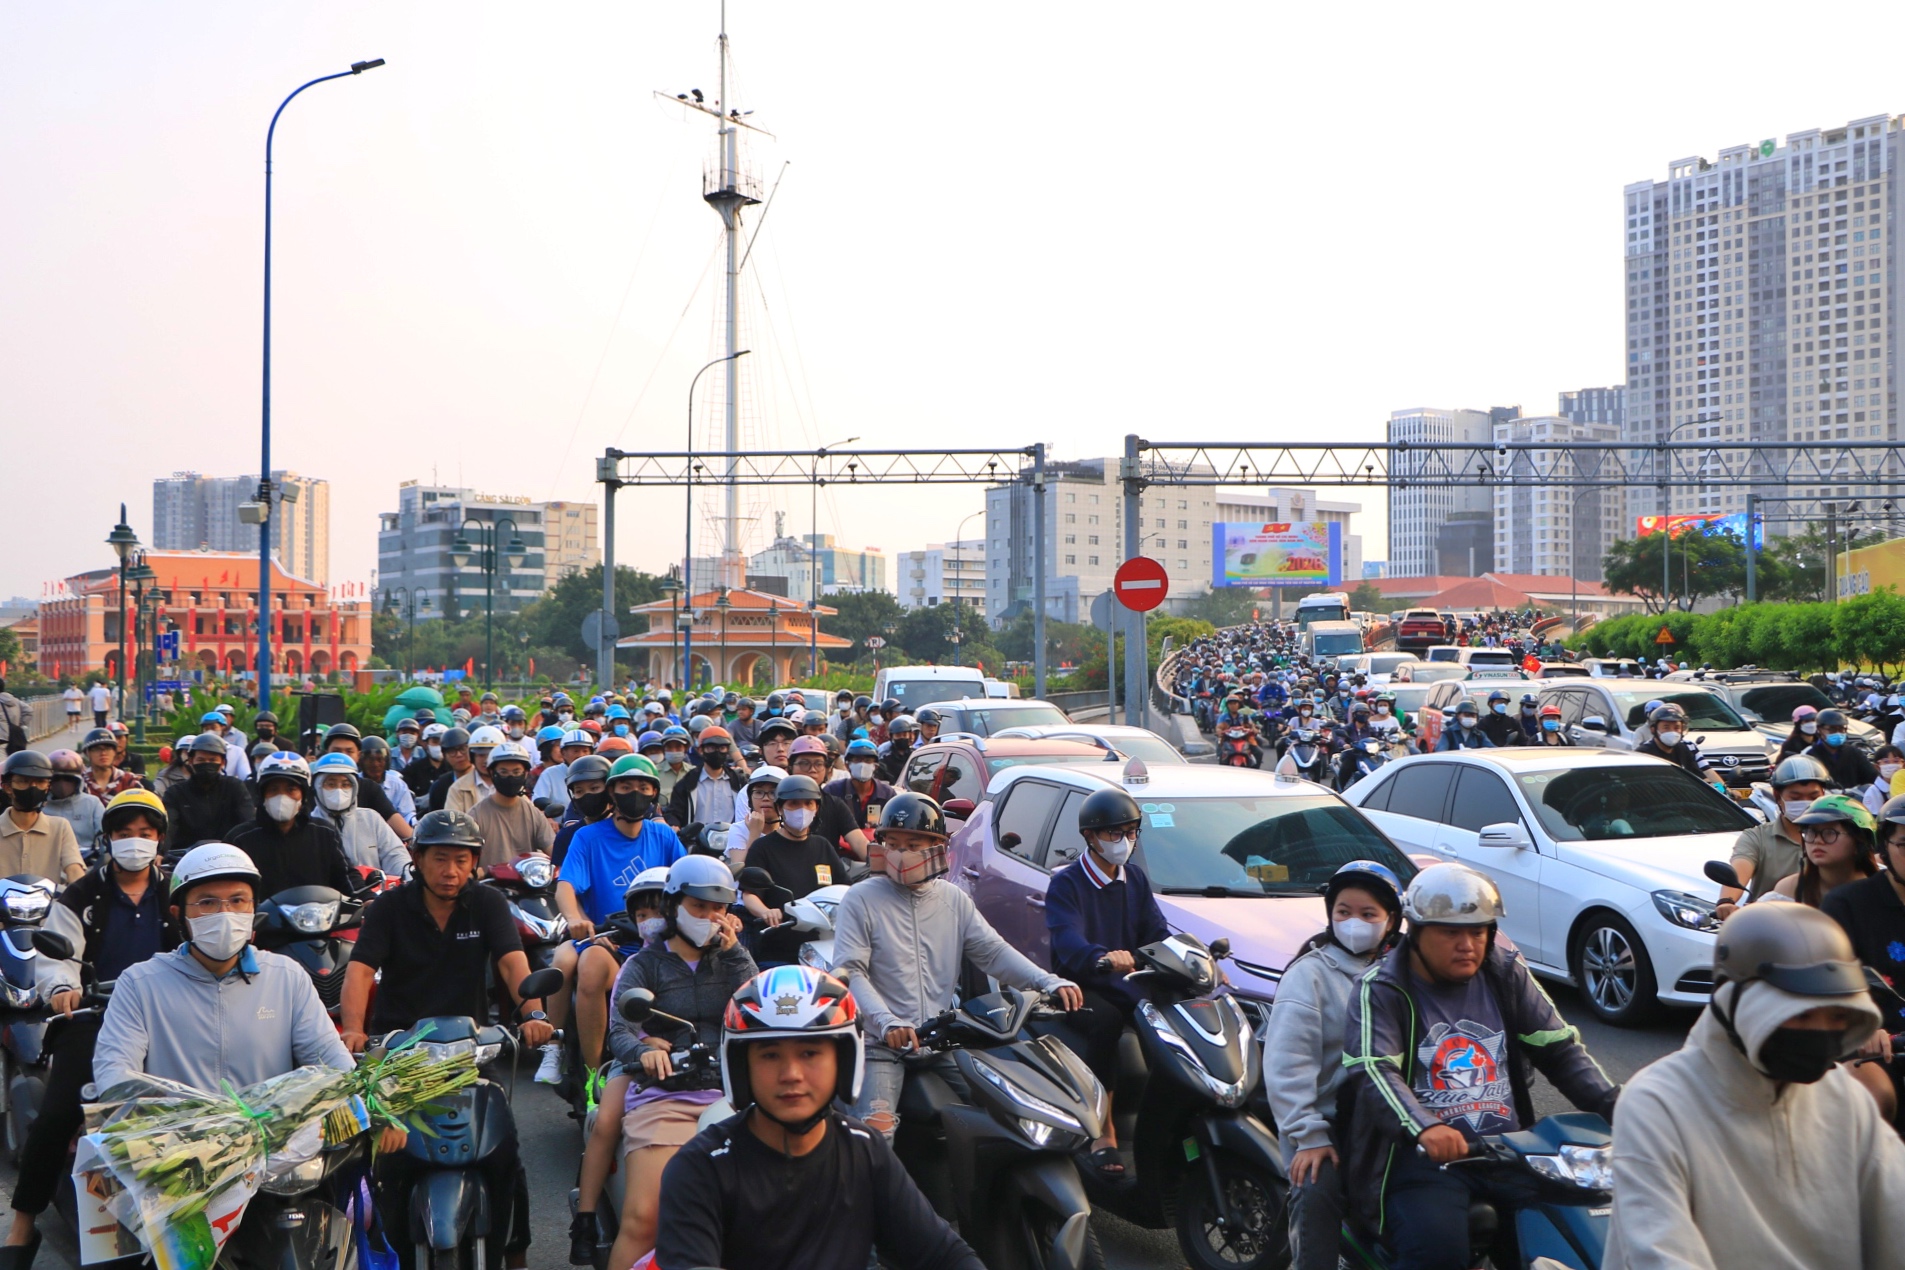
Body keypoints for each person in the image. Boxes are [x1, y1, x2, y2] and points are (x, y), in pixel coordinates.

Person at [1343, 863, 1619, 1270]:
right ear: (1416, 932)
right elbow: (1373, 1071)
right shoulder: (1382, 988)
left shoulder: (1505, 973)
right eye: (1451, 932)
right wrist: (1425, 1126)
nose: (1468, 945)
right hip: (1424, 1161)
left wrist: (1620, 1105)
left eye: (1478, 931)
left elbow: (1560, 1051)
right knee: (1437, 1253)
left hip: (1512, 1152)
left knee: (1583, 1232)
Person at [1602, 903, 1905, 1269]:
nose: (1819, 1033)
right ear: (1733, 1003)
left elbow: (1895, 1214)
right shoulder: (1657, 1104)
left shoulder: (1847, 1100)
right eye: (1799, 1014)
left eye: (1838, 1016)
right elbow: (1661, 1253)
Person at [652, 966, 985, 1270]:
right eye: (769, 1055)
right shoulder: (700, 1168)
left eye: (810, 1053)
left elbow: (941, 1253)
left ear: (843, 1060)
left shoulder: (863, 1149)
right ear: (742, 1067)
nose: (791, 1074)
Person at [338, 810, 555, 1270]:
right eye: (440, 858)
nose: (451, 870)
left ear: (475, 862)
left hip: (471, 1051)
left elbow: (512, 961)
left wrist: (535, 1014)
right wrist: (355, 1029)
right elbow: (359, 971)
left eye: (461, 859)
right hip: (397, 1055)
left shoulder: (489, 904)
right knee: (384, 1161)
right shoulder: (389, 908)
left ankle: (514, 1249)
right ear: (417, 858)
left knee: (504, 1152)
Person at [831, 792, 1083, 1141]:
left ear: (938, 845)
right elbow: (850, 971)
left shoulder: (953, 899)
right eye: (893, 843)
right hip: (878, 1046)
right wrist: (886, 1022)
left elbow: (993, 953)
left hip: (938, 1041)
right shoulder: (860, 899)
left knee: (1004, 1116)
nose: (901, 854)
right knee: (877, 1136)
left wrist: (1048, 982)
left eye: (914, 843)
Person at [3, 790, 181, 1268]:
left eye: (145, 834)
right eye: (124, 834)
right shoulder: (81, 894)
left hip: (172, 1019)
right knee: (59, 1112)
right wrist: (64, 987)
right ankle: (22, 1228)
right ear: (108, 838)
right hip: (97, 1018)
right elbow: (56, 957)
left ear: (160, 838)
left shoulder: (178, 891)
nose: (135, 842)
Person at [92, 840, 355, 1090]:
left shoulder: (286, 977)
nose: (225, 913)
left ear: (254, 910)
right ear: (179, 915)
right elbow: (116, 1072)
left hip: (269, 1134)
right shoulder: (140, 985)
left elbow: (330, 1061)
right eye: (207, 903)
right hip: (179, 1135)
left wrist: (370, 1107)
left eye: (238, 901)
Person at [598, 857, 754, 1269]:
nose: (710, 917)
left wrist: (736, 953)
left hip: (733, 1096)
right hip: (666, 1094)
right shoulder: (644, 964)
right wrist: (643, 1052)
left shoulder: (733, 959)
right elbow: (619, 1031)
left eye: (719, 909)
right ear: (674, 906)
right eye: (699, 907)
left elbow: (756, 1008)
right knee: (645, 1218)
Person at [1263, 861, 1404, 1270]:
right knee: (1316, 1191)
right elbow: (1287, 1067)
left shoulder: (1405, 973)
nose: (1354, 923)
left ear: (1391, 920)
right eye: (1344, 912)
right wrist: (1309, 1136)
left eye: (1368, 914)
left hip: (1392, 1123)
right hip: (1325, 1130)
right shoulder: (1310, 976)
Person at [1042, 786, 1172, 1177]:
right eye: (1115, 833)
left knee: (1172, 1016)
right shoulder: (1067, 883)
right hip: (1082, 986)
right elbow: (1068, 942)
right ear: (1090, 836)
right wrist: (1101, 957)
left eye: (1131, 832)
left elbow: (1157, 932)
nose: (1125, 842)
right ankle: (1104, 1130)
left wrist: (1182, 957)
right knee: (1107, 1022)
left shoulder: (1134, 878)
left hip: (1129, 982)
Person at [555, 755, 684, 1098]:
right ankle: (593, 1073)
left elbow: (689, 879)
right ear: (612, 793)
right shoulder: (588, 838)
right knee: (590, 964)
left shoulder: (663, 835)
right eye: (626, 787)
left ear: (655, 793)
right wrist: (575, 920)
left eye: (644, 787)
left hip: (664, 944)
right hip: (612, 943)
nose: (635, 793)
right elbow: (566, 885)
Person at [226, 751, 354, 897]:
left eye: (291, 789)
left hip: (318, 917)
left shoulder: (324, 833)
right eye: (273, 789)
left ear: (303, 794)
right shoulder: (240, 838)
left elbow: (345, 877)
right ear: (262, 795)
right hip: (260, 919)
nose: (282, 797)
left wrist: (365, 898)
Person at [1718, 754, 1829, 914]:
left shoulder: (1837, 839)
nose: (1806, 803)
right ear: (1778, 796)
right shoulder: (1757, 837)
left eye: (1813, 797)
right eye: (1795, 797)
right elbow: (1739, 869)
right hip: (1767, 925)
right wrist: (1726, 902)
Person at [308, 752, 410, 877]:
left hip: (374, 894)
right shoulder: (309, 826)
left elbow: (395, 855)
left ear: (354, 788)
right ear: (318, 787)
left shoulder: (371, 819)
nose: (339, 790)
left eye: (345, 784)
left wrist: (407, 876)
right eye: (331, 784)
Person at [1772, 793, 1879, 906]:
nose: (1817, 840)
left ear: (1860, 842)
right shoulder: (1789, 890)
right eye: (1811, 832)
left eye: (1829, 833)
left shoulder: (1882, 890)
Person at [161, 732, 256, 852]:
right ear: (191, 761)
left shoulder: (234, 787)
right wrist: (161, 851)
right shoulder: (175, 793)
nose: (207, 764)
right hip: (186, 857)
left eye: (212, 760)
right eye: (201, 760)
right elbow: (169, 826)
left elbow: (247, 821)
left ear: (222, 763)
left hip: (230, 855)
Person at [468, 740, 556, 868]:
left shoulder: (532, 813)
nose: (510, 777)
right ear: (492, 773)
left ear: (525, 774)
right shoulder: (476, 815)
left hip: (529, 883)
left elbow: (552, 849)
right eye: (503, 772)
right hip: (489, 884)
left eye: (516, 772)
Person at [0, 753, 85, 884]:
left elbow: (74, 869)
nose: (33, 787)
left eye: (40, 782)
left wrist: (81, 894)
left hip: (49, 903)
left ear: (47, 787)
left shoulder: (60, 827)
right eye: (24, 781)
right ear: (7, 787)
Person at [665, 725, 747, 831]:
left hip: (732, 840)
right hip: (696, 841)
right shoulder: (687, 783)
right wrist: (674, 825)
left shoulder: (739, 782)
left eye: (722, 748)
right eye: (711, 748)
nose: (717, 753)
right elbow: (674, 812)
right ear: (700, 750)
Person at [1633, 701, 1725, 791]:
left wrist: (1724, 790)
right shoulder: (1644, 754)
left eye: (1676, 727)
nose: (1672, 731)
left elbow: (1704, 780)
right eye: (1666, 727)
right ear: (1653, 729)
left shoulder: (1684, 749)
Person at [825, 738, 894, 835]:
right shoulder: (833, 791)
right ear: (847, 765)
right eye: (857, 760)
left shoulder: (887, 794)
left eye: (868, 760)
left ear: (876, 766)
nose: (862, 765)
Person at [722, 765, 785, 868]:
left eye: (773, 793)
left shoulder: (788, 829)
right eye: (759, 792)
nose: (765, 798)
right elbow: (740, 871)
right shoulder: (739, 829)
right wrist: (754, 834)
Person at [40, 750, 103, 850]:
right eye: (57, 779)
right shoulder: (39, 805)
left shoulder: (92, 803)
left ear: (78, 781)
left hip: (88, 861)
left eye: (68, 779)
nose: (62, 785)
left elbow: (103, 836)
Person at [1808, 708, 1882, 790]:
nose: (1837, 733)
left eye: (1841, 729)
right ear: (1819, 730)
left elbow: (1872, 777)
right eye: (1832, 729)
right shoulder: (1811, 756)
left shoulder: (1854, 752)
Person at [359, 734, 416, 825]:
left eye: (379, 759)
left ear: (387, 761)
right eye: (370, 760)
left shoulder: (397, 784)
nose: (375, 764)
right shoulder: (354, 783)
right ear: (361, 761)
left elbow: (407, 814)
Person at [78, 727, 140, 804]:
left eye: (108, 748)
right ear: (87, 753)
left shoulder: (129, 780)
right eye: (97, 749)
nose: (103, 753)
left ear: (114, 752)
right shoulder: (79, 782)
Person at [403, 723, 452, 809]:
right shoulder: (412, 769)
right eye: (435, 742)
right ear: (425, 744)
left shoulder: (453, 769)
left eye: (442, 742)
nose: (439, 746)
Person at [1864, 744, 1905, 816]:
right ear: (1877, 767)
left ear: (1903, 765)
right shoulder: (1874, 791)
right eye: (1886, 762)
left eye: (1896, 761)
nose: (1891, 765)